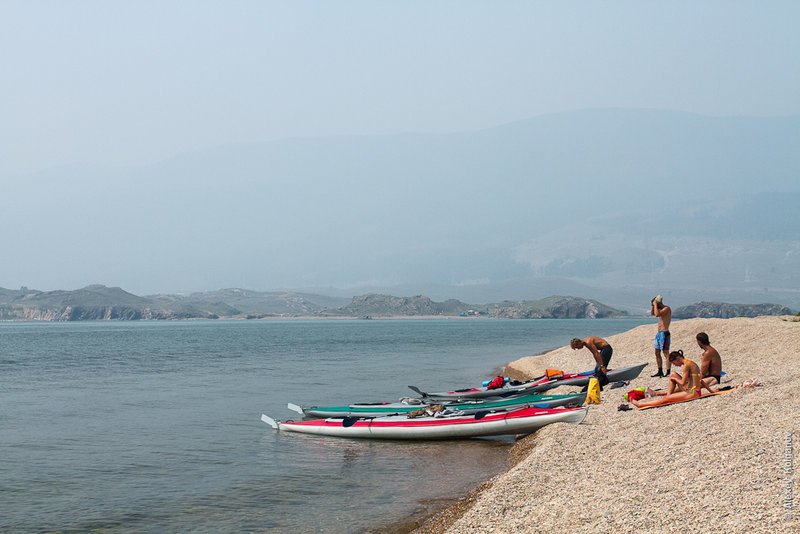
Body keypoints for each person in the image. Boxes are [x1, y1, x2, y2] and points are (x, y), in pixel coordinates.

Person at [632, 350, 715, 408]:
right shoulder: (690, 362)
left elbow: (682, 383)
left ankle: (641, 404)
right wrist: (711, 391)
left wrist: (674, 379)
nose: (675, 365)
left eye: (674, 363)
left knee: (665, 397)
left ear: (678, 359)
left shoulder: (686, 365)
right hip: (695, 391)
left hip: (691, 393)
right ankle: (669, 396)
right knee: (673, 374)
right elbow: (700, 379)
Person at [650, 294, 672, 377]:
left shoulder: (666, 308)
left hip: (664, 333)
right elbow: (653, 313)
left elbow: (656, 314)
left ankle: (668, 372)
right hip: (659, 333)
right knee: (657, 352)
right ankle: (660, 371)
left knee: (665, 353)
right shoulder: (659, 309)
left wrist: (655, 304)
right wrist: (653, 305)